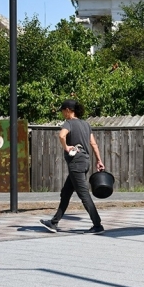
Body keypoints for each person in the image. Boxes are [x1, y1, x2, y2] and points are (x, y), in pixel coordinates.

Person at [40, 100, 106, 234]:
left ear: (68, 110)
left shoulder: (69, 123)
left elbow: (61, 135)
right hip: (85, 161)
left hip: (76, 163)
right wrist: (99, 160)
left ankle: (97, 225)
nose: (62, 113)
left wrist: (66, 147)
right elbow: (93, 144)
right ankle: (53, 223)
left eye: (63, 110)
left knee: (84, 195)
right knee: (66, 193)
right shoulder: (86, 125)